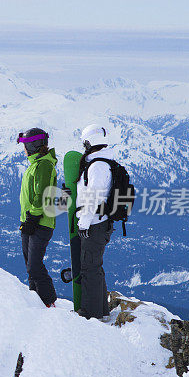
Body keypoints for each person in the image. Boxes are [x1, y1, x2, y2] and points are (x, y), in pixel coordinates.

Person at [75, 123, 115, 319]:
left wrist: (84, 222)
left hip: (95, 223)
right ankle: (101, 310)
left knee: (89, 267)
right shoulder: (102, 162)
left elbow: (93, 196)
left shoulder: (97, 165)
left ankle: (91, 313)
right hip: (100, 221)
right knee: (95, 266)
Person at [17, 128, 57, 307]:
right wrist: (27, 221)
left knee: (34, 265)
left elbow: (41, 195)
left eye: (25, 145)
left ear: (33, 145)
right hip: (30, 221)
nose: (23, 149)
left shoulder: (44, 165)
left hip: (40, 222)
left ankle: (48, 302)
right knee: (29, 267)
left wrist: (32, 218)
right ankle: (35, 302)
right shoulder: (34, 165)